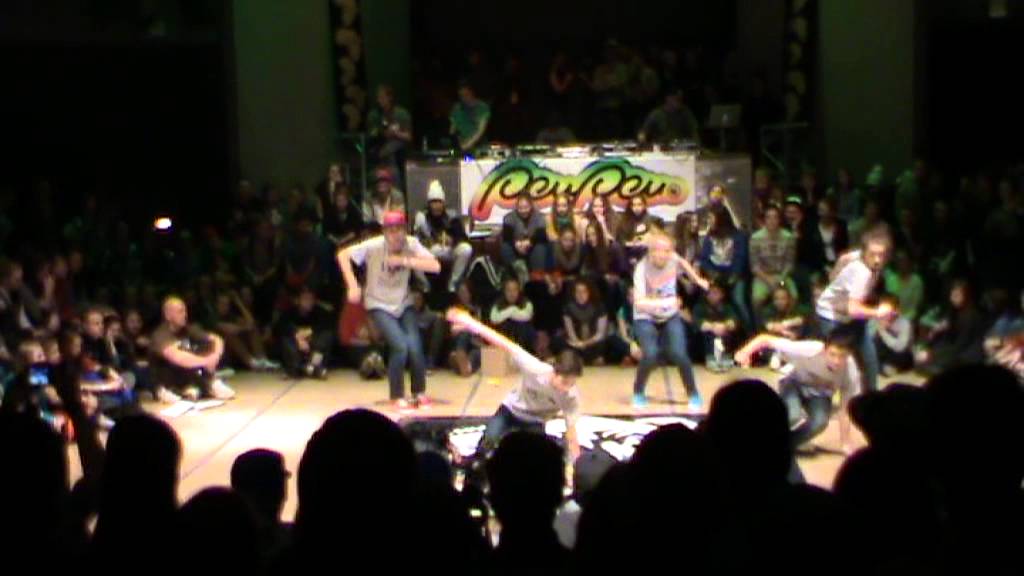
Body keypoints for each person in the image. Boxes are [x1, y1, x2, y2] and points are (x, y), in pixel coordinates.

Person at [446, 308, 581, 461]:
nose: (567, 388)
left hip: (536, 420)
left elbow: (571, 432)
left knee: (536, 456)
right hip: (511, 410)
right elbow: (502, 342)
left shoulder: (571, 396)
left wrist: (577, 464)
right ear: (555, 372)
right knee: (488, 442)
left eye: (571, 383)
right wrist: (469, 322)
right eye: (564, 382)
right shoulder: (535, 368)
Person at [337, 211, 440, 409]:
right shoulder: (374, 245)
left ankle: (418, 392)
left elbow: (435, 266)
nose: (396, 236)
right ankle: (396, 395)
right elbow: (343, 255)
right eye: (391, 231)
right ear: (385, 232)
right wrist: (352, 285)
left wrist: (405, 261)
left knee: (415, 346)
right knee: (399, 345)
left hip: (402, 302)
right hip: (378, 303)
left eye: (400, 230)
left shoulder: (411, 244)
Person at [734, 326, 861, 454]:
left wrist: (845, 443)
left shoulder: (851, 373)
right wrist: (744, 352)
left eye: (842, 356)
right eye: (832, 354)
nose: (836, 361)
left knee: (820, 422)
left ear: (849, 355)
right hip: (794, 383)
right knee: (791, 415)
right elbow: (765, 339)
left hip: (820, 394)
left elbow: (845, 410)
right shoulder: (811, 349)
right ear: (824, 350)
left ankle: (785, 445)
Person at [631, 230, 710, 409]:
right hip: (646, 316)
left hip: (669, 315)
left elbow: (683, 263)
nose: (664, 255)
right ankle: (638, 391)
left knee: (679, 354)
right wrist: (667, 302)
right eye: (659, 251)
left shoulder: (673, 258)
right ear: (651, 252)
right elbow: (639, 303)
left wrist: (697, 279)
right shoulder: (641, 269)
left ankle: (693, 393)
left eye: (667, 251)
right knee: (650, 354)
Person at [815, 225, 895, 393]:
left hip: (847, 313)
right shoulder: (862, 273)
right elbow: (854, 309)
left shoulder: (859, 256)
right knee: (837, 360)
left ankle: (872, 395)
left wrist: (835, 275)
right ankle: (822, 395)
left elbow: (844, 257)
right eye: (873, 254)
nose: (877, 260)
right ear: (865, 252)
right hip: (831, 315)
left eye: (881, 255)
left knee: (869, 356)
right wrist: (878, 312)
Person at [149, 296, 235, 402]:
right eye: (180, 311)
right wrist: (206, 361)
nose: (185, 315)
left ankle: (205, 385)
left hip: (186, 376)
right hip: (166, 380)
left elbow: (216, 339)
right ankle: (181, 391)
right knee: (184, 357)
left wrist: (215, 357)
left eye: (185, 311)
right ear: (168, 315)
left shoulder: (188, 329)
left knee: (206, 346)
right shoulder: (160, 334)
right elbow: (177, 357)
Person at [413, 180, 472, 292]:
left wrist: (453, 240)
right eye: (433, 202)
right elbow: (414, 240)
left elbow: (463, 237)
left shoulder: (451, 216)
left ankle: (453, 283)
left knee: (466, 249)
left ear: (443, 203)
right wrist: (425, 243)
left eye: (439, 202)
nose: (436, 206)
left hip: (448, 250)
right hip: (430, 251)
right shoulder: (422, 218)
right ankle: (425, 287)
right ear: (429, 204)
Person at [275, 286, 333, 380]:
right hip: (296, 345)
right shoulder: (289, 313)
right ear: (298, 300)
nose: (308, 302)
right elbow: (282, 327)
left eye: (311, 299)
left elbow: (325, 326)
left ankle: (314, 366)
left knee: (326, 337)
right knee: (286, 340)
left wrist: (309, 332)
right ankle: (299, 368)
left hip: (314, 346)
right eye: (305, 299)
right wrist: (297, 337)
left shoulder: (320, 312)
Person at [749, 204, 797, 314]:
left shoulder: (788, 237)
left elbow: (789, 263)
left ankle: (786, 320)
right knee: (757, 299)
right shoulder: (755, 238)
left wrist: (781, 279)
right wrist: (768, 280)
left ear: (779, 220)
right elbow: (754, 266)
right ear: (764, 220)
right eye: (768, 217)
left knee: (793, 296)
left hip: (782, 275)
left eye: (775, 217)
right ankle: (761, 323)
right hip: (763, 276)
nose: (772, 221)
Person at [367, 85, 413, 187]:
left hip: (397, 154)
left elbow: (408, 136)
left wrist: (395, 133)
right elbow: (371, 134)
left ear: (390, 97)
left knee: (396, 145)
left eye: (382, 97)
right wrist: (382, 133)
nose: (379, 100)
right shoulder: (374, 115)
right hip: (378, 149)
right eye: (378, 98)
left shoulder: (401, 114)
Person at [500, 193, 549, 281]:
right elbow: (507, 236)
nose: (523, 210)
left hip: (533, 246)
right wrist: (516, 244)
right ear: (516, 207)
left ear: (531, 206)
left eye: (526, 207)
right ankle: (518, 272)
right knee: (505, 247)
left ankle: (537, 276)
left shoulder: (539, 216)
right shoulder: (509, 217)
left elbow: (541, 234)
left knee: (540, 246)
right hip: (516, 246)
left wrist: (529, 242)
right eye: (520, 208)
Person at [560, 280, 609, 365]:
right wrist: (577, 342)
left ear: (589, 292)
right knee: (560, 341)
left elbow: (600, 333)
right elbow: (570, 331)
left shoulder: (599, 307)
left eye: (584, 291)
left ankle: (593, 358)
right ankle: (579, 358)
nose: (580, 294)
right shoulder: (568, 308)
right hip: (576, 343)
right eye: (578, 292)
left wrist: (585, 343)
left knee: (606, 341)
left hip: (593, 342)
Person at [449, 80, 490, 151]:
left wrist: (467, 144)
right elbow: (452, 130)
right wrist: (454, 143)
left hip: (479, 147)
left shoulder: (482, 107)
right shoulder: (456, 108)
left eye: (466, 94)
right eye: (461, 95)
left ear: (472, 93)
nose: (464, 98)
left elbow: (480, 131)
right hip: (460, 146)